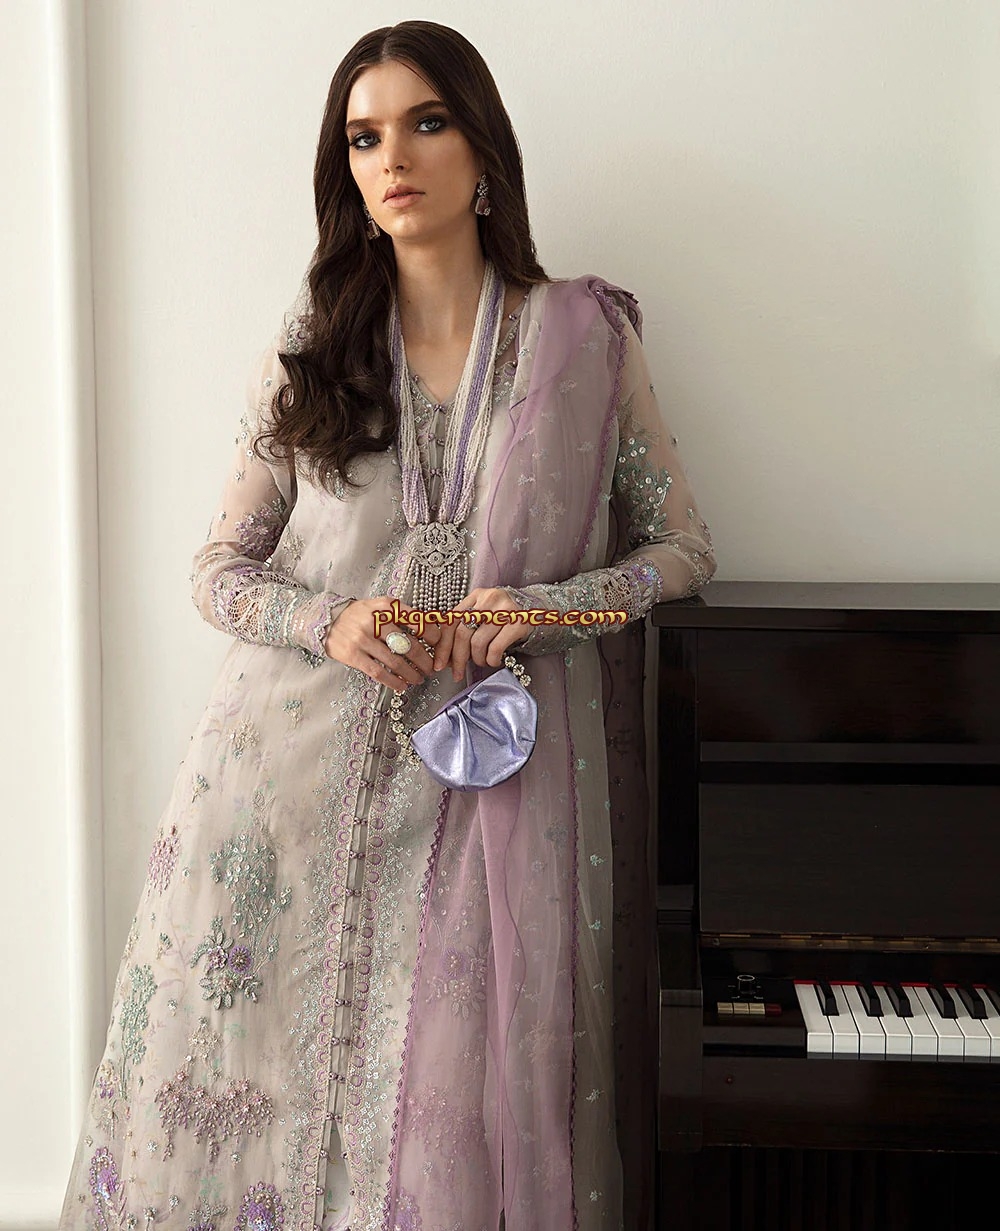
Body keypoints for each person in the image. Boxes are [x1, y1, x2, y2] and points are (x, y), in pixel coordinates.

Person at [58, 19, 716, 1231]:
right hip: (286, 786)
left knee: (451, 1121)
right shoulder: (314, 350)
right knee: (263, 1102)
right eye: (362, 138)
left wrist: (547, 607)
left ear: (483, 152)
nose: (393, 158)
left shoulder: (583, 341)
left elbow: (679, 547)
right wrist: (330, 620)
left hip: (492, 805)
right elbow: (215, 569)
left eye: (425, 122)